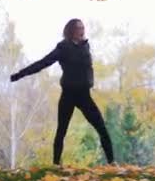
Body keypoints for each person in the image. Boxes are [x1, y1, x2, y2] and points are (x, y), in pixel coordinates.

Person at [10, 18, 114, 166]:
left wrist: (90, 82)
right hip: (69, 95)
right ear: (71, 31)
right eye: (78, 28)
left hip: (84, 95)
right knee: (62, 130)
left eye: (83, 28)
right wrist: (18, 75)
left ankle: (112, 163)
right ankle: (56, 165)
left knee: (101, 128)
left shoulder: (85, 46)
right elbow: (43, 63)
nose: (82, 31)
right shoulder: (63, 48)